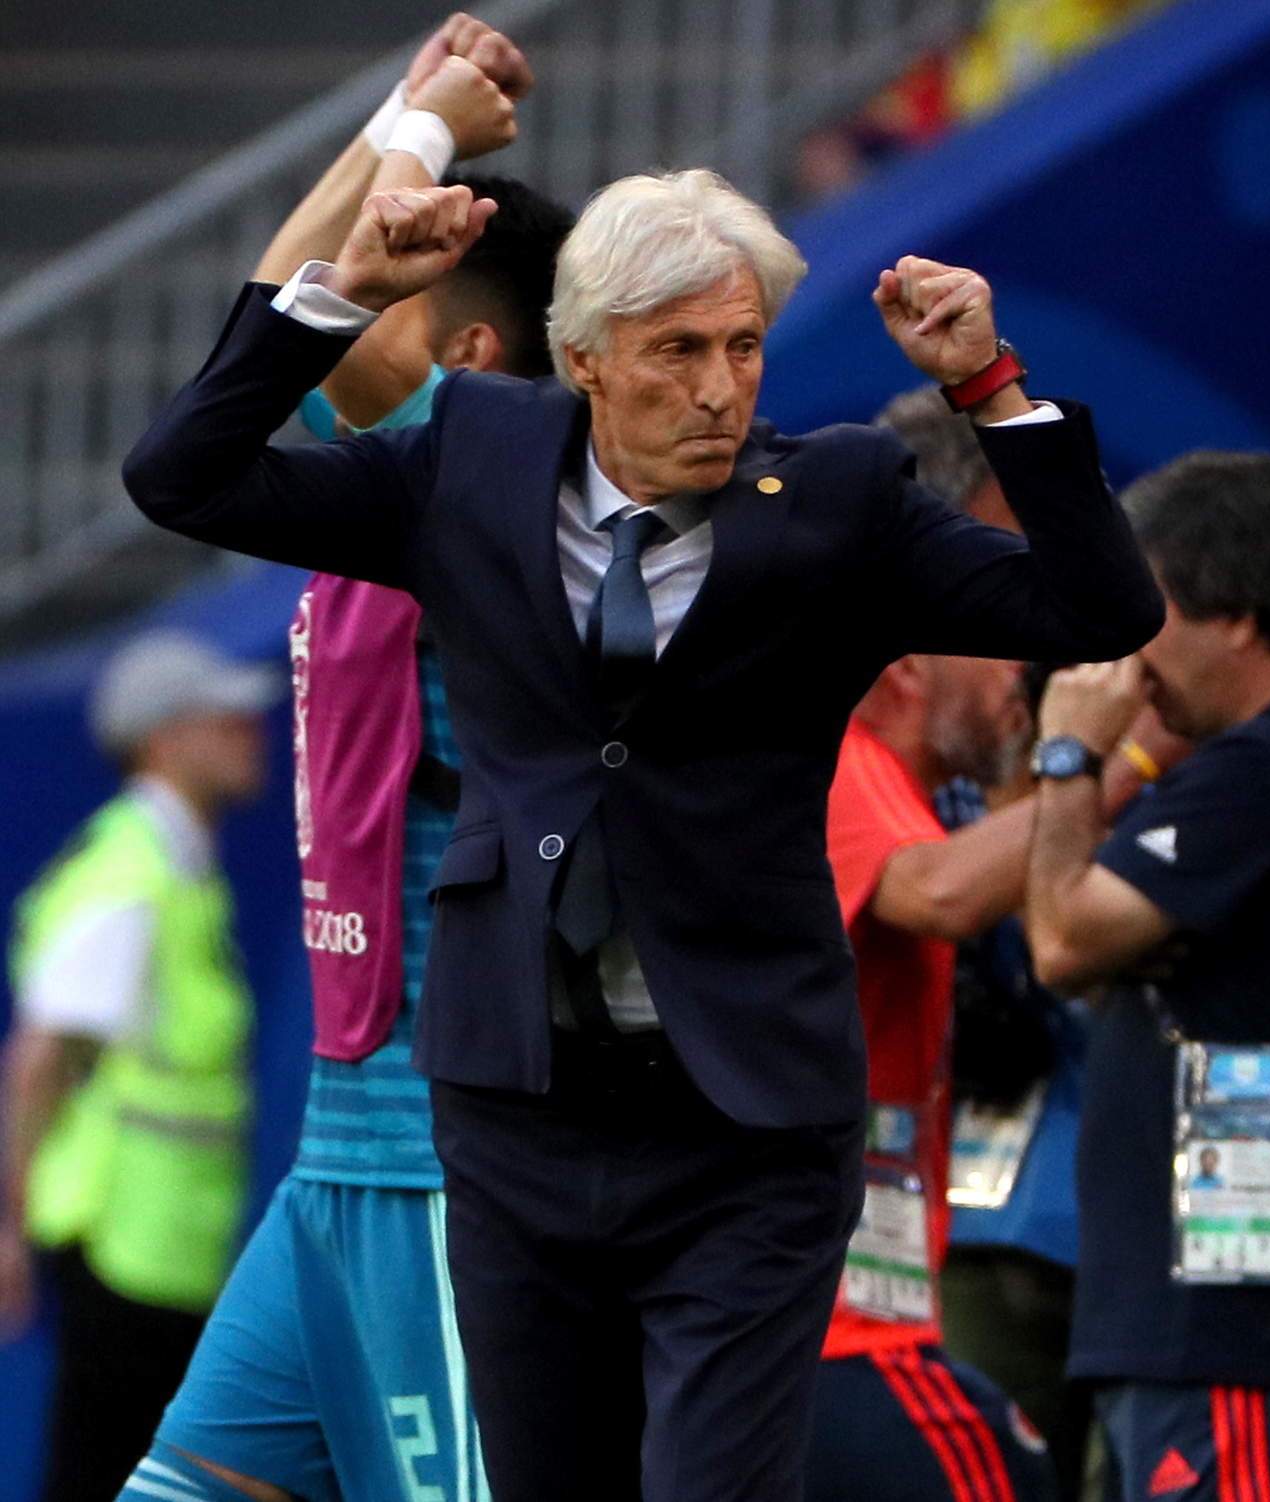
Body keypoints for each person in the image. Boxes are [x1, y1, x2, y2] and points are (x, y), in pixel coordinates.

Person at [121, 161, 1162, 1501]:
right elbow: (182, 477)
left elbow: (1099, 610)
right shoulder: (469, 462)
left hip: (747, 1130)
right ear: (586, 360)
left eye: (743, 346)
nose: (721, 387)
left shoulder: (837, 501)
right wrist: (339, 298)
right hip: (518, 1114)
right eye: (679, 351)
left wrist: (990, 387)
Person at [115, 21, 576, 1502]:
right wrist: (401, 113)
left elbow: (318, 305)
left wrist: (427, 134)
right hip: (339, 1154)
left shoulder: (487, 490)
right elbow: (289, 301)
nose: (362, 282)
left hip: (444, 1166)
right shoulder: (386, 490)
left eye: (406, 280)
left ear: (471, 356)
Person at [1024, 450, 1270, 1502]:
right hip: (1188, 1318)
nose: (1123, 646)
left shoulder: (1256, 768)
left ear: (1236, 614)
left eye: (1147, 605)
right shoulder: (1229, 772)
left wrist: (1068, 756)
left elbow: (1059, 940)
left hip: (1224, 1324)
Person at [872, 387, 1094, 1496]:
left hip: (1069, 1233)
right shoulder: (833, 750)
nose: (1032, 630)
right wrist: (1107, 760)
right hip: (904, 1261)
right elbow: (941, 895)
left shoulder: (979, 758)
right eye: (1008, 562)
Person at [0, 630, 278, 1502]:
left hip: (169, 1248)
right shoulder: (130, 873)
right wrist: (7, 1229)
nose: (250, 731)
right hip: (121, 1245)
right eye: (222, 718)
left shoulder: (179, 868)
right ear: (163, 741)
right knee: (101, 1475)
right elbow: (40, 1058)